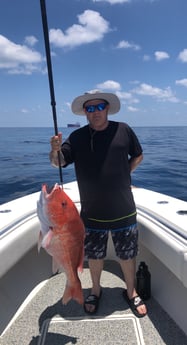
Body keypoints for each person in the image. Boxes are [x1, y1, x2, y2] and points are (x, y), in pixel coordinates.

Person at [50, 90, 147, 318]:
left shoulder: (123, 129)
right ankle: (95, 290)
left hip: (123, 208)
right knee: (95, 255)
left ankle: (131, 292)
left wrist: (125, 173)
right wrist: (54, 151)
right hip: (92, 212)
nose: (95, 112)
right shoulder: (77, 137)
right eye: (90, 108)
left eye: (99, 107)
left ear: (107, 108)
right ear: (85, 112)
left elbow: (138, 155)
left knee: (127, 255)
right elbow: (59, 162)